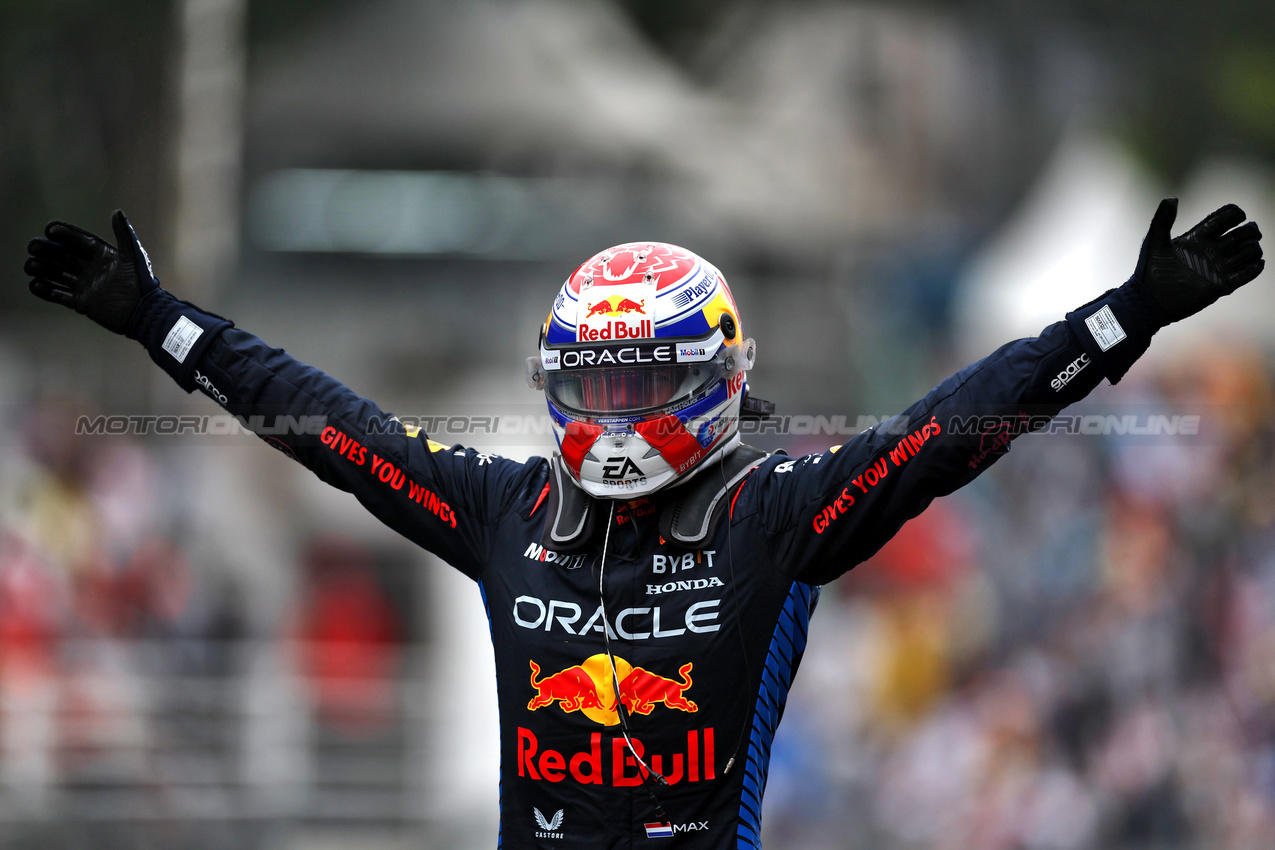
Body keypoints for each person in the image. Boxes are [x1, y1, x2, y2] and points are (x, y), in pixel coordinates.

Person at [23, 201, 1263, 848]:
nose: (614, 415)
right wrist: (161, 324)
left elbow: (951, 428)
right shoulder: (500, 505)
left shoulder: (774, 518)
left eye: (640, 385)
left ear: (713, 378)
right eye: (592, 387)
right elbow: (324, 423)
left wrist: (1124, 318)